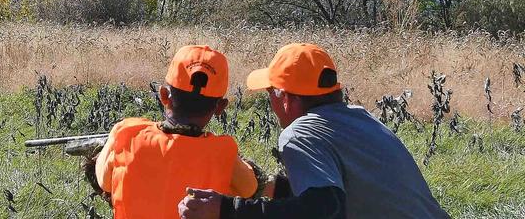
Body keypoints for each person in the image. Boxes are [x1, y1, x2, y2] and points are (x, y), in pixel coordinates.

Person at [179, 43, 449, 219]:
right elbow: (341, 191)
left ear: (285, 97)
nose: (271, 102)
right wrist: (270, 186)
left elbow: (325, 210)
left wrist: (227, 209)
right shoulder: (361, 119)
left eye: (271, 93)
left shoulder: (301, 134)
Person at [89, 45, 268, 219]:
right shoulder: (223, 152)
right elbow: (250, 188)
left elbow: (103, 181)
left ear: (164, 95)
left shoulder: (126, 133)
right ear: (220, 108)